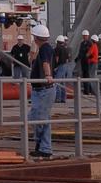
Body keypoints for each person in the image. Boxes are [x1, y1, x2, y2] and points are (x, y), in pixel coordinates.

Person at [29, 23, 55, 158]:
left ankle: (43, 145)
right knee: (40, 118)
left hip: (43, 89)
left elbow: (45, 62)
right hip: (40, 89)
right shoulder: (43, 48)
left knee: (38, 119)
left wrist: (47, 76)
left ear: (37, 38)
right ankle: (43, 147)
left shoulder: (45, 49)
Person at [53, 34, 72, 104]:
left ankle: (57, 98)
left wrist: (55, 66)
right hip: (65, 66)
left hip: (60, 66)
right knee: (63, 83)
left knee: (57, 82)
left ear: (57, 42)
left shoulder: (58, 48)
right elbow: (68, 59)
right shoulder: (65, 49)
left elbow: (57, 59)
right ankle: (63, 98)